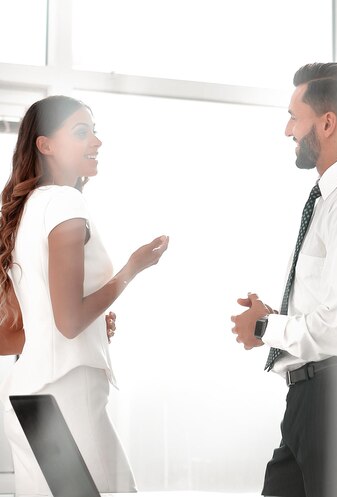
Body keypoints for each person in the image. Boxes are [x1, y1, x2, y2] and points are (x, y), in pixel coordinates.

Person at [230, 63, 337, 497]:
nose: (287, 130)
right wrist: (274, 317)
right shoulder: (332, 200)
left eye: (293, 117)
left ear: (326, 122)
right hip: (311, 399)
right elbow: (333, 305)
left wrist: (267, 328)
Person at [0, 95, 169, 496]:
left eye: (95, 131)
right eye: (81, 132)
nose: (96, 141)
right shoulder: (65, 202)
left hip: (31, 397)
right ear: (46, 145)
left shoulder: (26, 211)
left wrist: (93, 320)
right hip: (66, 396)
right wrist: (132, 268)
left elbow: (24, 328)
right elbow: (69, 321)